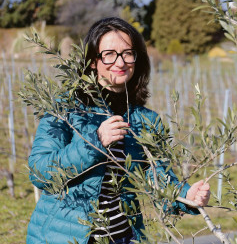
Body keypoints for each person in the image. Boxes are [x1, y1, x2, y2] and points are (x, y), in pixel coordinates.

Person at [26, 17, 210, 244]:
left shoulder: (146, 120)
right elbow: (39, 173)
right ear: (93, 61)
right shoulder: (66, 109)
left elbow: (160, 177)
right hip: (62, 237)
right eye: (109, 54)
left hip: (122, 237)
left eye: (127, 53)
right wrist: (95, 141)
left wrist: (187, 197)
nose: (120, 62)